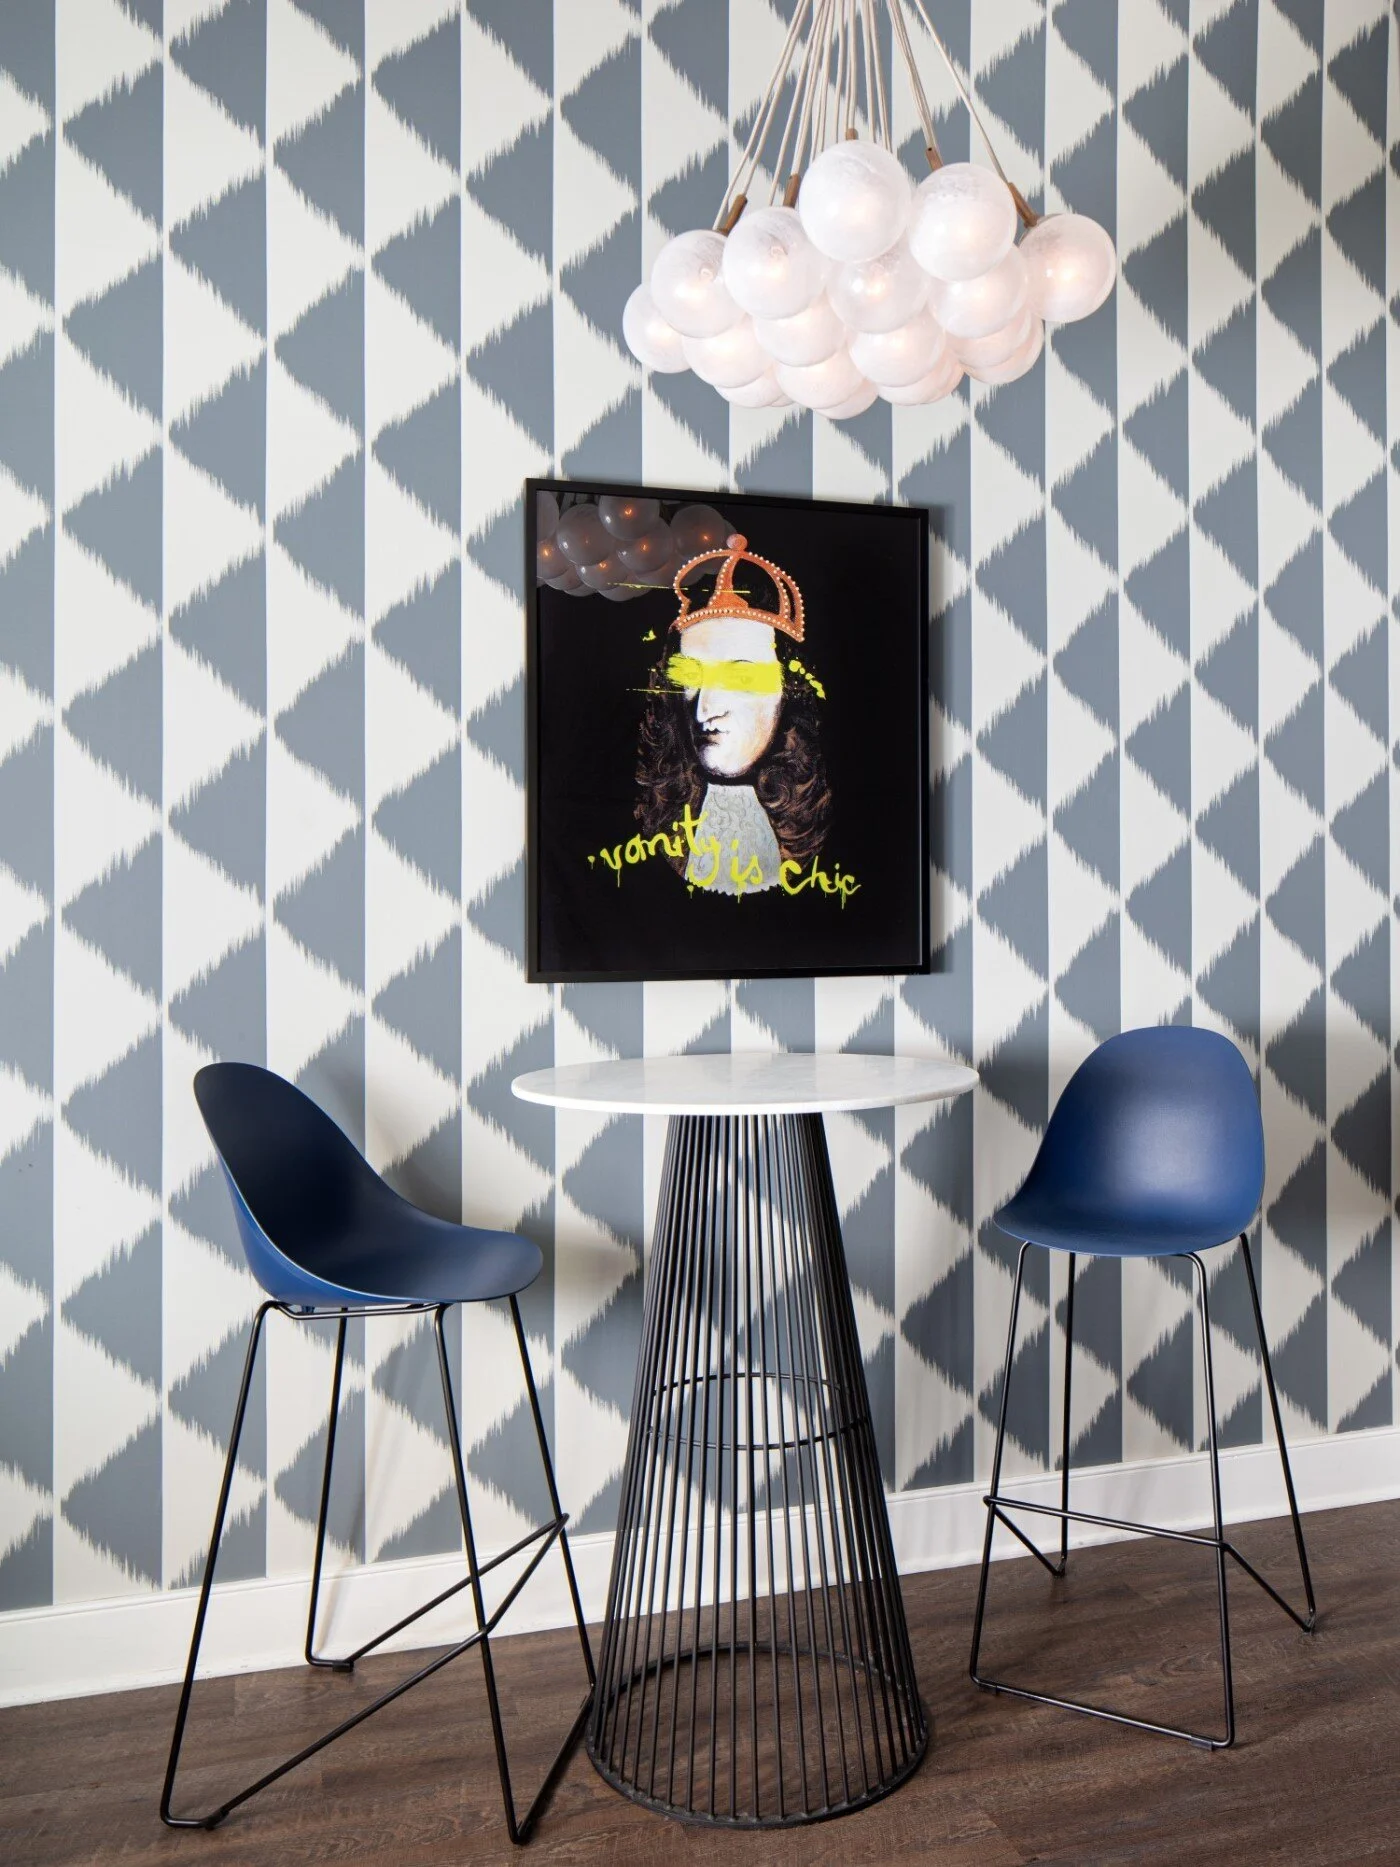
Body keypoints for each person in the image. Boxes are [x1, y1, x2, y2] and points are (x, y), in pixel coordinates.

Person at [635, 533, 831, 896]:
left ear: (789, 691)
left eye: (740, 677)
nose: (704, 710)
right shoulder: (663, 827)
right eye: (690, 677)